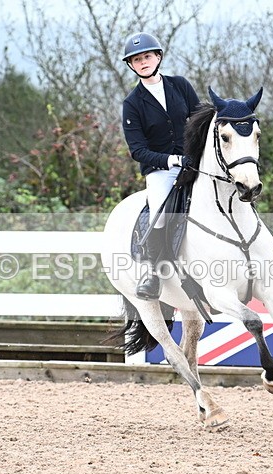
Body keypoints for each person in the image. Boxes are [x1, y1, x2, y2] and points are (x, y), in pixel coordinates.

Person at [121, 31, 200, 300]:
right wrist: (170, 159)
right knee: (160, 211)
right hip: (161, 170)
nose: (143, 62)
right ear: (131, 65)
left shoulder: (180, 85)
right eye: (137, 60)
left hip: (194, 162)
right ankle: (152, 274)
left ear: (158, 57)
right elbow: (138, 150)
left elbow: (199, 120)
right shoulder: (132, 104)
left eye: (147, 56)